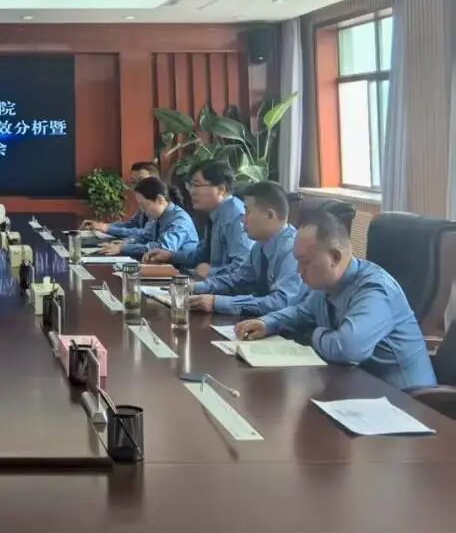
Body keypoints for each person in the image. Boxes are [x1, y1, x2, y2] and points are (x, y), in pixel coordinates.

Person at [235, 212, 437, 391]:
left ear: (335, 257)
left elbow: (347, 348)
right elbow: (302, 312)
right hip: (358, 387)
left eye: (305, 262)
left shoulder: (374, 290)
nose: (299, 271)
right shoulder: (328, 284)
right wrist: (267, 323)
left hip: (405, 400)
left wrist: (313, 334)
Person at [188, 181, 307, 316]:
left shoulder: (293, 250)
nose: (243, 220)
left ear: (270, 215)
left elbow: (280, 302)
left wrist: (217, 303)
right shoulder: (259, 246)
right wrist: (193, 287)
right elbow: (237, 280)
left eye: (247, 212)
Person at [143, 161, 253, 277]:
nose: (191, 192)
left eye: (196, 185)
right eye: (190, 185)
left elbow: (243, 268)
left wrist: (211, 272)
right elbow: (201, 255)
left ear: (221, 189)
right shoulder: (216, 214)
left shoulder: (235, 217)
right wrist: (170, 256)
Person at [98, 177, 199, 259]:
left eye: (144, 205)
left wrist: (123, 248)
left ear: (160, 199)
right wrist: (126, 243)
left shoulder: (179, 220)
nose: (142, 210)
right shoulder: (159, 216)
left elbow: (161, 248)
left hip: (182, 272)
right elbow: (145, 236)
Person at [80, 161, 159, 239]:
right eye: (134, 181)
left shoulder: (158, 203)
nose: (138, 185)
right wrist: (102, 226)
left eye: (142, 179)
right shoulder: (143, 201)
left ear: (155, 180)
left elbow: (146, 233)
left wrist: (108, 229)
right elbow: (132, 224)